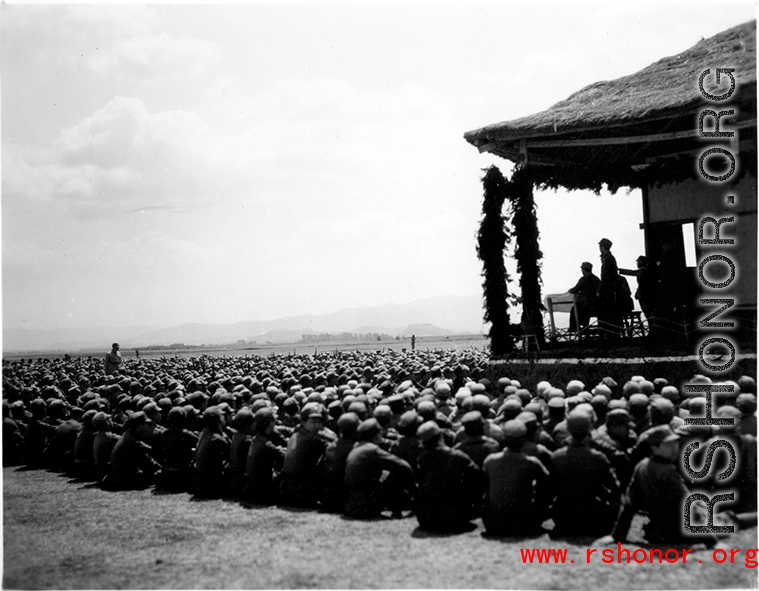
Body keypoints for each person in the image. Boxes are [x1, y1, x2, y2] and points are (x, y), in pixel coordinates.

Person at [550, 411, 620, 537]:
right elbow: (614, 488)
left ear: (568, 429)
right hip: (592, 514)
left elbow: (547, 489)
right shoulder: (598, 457)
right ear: (589, 428)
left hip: (563, 514)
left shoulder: (556, 457)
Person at [482, 420, 552, 536]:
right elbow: (548, 483)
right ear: (523, 439)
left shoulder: (490, 460)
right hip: (523, 520)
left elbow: (483, 484)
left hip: (493, 522)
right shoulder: (531, 462)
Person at [414, 420, 484, 533]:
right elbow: (478, 476)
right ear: (440, 436)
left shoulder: (421, 459)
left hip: (427, 519)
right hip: (457, 517)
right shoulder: (457, 456)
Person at [343, 418, 416, 519]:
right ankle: (412, 501)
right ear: (375, 435)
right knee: (394, 474)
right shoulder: (372, 450)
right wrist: (414, 489)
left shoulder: (357, 448)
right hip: (367, 503)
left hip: (353, 502)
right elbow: (404, 465)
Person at [596, 238, 623, 338]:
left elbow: (605, 276)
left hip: (608, 290)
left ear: (603, 247)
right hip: (610, 289)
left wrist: (599, 289)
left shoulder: (608, 259)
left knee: (608, 312)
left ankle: (610, 333)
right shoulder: (609, 258)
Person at [619, 255, 659, 320]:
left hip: (644, 296)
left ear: (642, 262)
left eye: (638, 262)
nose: (637, 263)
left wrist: (638, 293)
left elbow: (642, 284)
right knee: (649, 314)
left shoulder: (643, 272)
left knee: (648, 314)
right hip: (645, 296)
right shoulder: (645, 271)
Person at [567, 262, 601, 331]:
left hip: (588, 305)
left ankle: (574, 327)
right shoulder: (596, 279)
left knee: (574, 309)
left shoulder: (584, 279)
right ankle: (585, 327)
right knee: (583, 308)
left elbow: (575, 289)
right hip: (597, 305)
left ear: (584, 270)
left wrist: (570, 290)